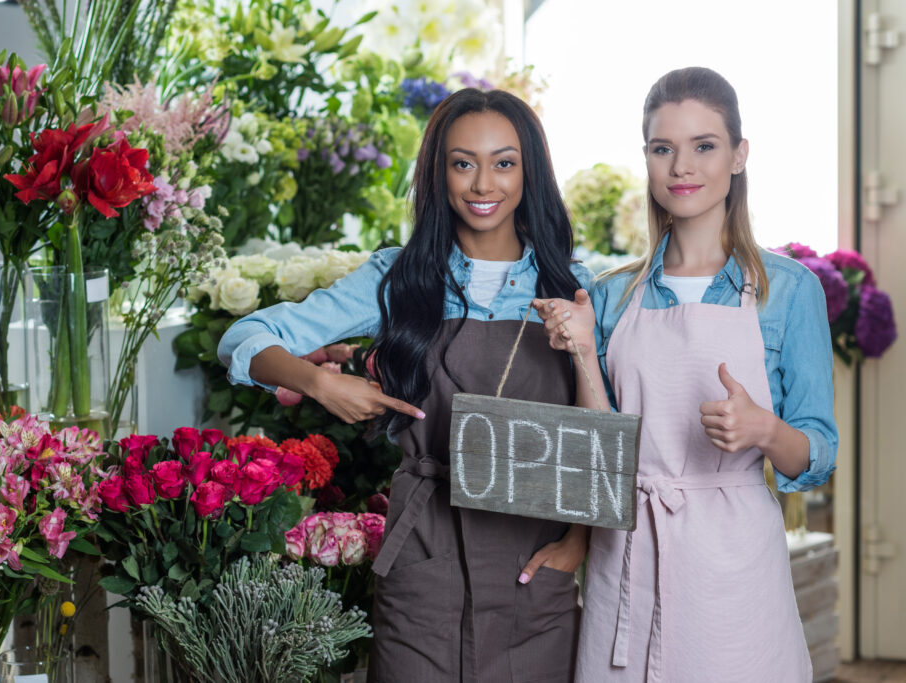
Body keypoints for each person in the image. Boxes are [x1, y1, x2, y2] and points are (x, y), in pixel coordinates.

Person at [219, 88, 597, 682]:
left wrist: (577, 544)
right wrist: (319, 384)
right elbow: (245, 339)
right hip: (425, 553)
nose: (482, 184)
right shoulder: (399, 279)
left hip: (534, 560)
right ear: (438, 173)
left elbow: (601, 431)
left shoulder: (575, 287)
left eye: (504, 163)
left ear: (531, 174)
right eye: (462, 163)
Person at [538, 66, 837, 682]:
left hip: (735, 570)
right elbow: (602, 453)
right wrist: (582, 354)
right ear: (645, 158)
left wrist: (762, 430)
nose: (682, 167)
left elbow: (819, 454)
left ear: (738, 156)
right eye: (662, 148)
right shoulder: (613, 295)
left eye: (704, 146)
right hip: (627, 554)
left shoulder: (787, 290)